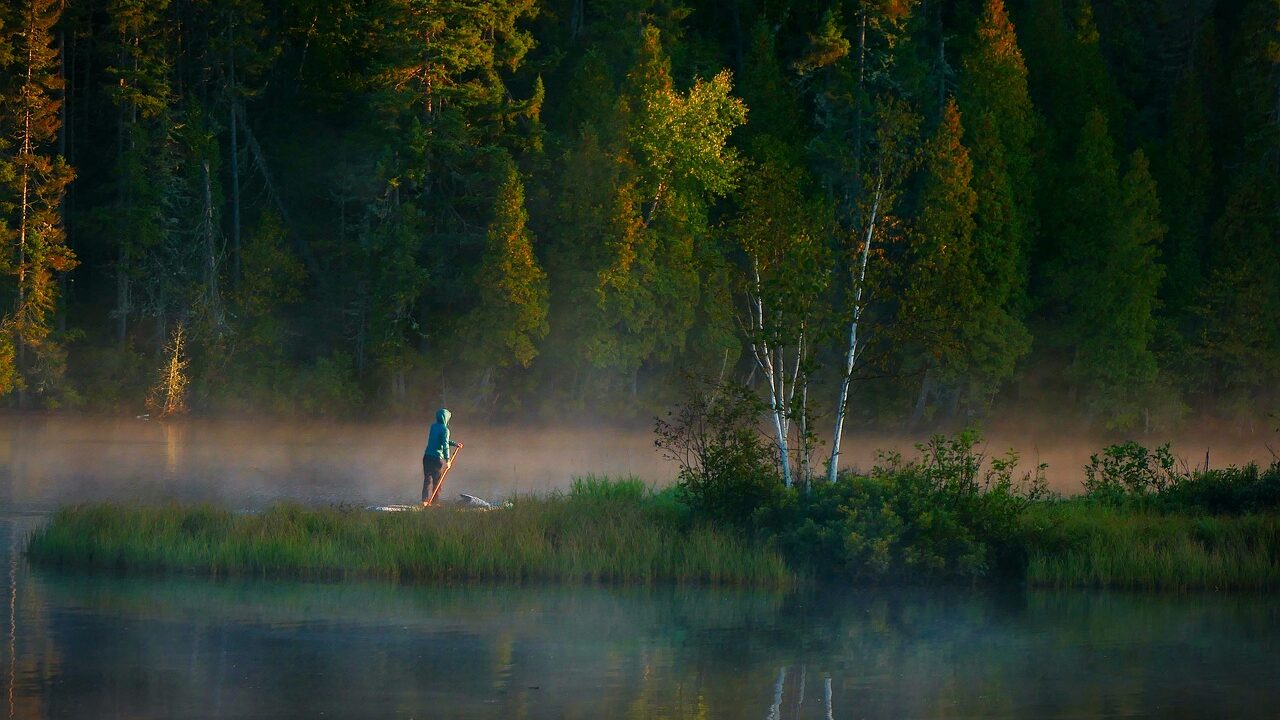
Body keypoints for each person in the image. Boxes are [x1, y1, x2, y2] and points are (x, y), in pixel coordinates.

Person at [422, 407, 460, 506]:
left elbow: (442, 440)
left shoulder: (433, 426)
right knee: (437, 481)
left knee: (427, 479)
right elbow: (445, 444)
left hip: (427, 457)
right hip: (436, 458)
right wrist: (448, 460)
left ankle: (425, 501)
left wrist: (455, 444)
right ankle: (435, 502)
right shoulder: (445, 429)